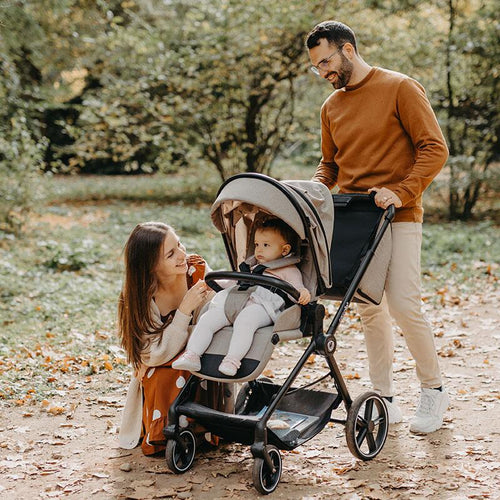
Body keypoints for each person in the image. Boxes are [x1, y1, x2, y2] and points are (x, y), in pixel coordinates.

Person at [305, 21, 450, 433]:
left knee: (404, 304)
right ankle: (384, 397)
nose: (324, 73)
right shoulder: (331, 107)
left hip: (399, 213)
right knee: (370, 308)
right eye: (316, 67)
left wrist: (402, 191)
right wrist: (314, 190)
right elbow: (330, 164)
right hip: (354, 216)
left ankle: (435, 390)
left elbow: (434, 149)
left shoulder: (401, 87)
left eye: (326, 61)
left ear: (348, 49)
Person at [117, 222, 232, 455]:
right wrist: (184, 313)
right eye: (171, 254)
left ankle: (205, 429)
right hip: (159, 365)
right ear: (151, 267)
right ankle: (165, 432)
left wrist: (177, 340)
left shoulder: (197, 273)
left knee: (194, 365)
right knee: (161, 374)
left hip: (200, 354)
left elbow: (216, 328)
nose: (182, 255)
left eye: (179, 244)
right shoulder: (141, 296)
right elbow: (152, 354)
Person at [173, 218, 311, 377]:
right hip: (236, 301)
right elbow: (233, 282)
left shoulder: (288, 270)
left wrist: (303, 292)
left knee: (245, 321)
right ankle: (193, 354)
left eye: (266, 245)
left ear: (285, 250)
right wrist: (212, 283)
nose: (259, 249)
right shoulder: (252, 267)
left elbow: (297, 287)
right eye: (257, 244)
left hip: (262, 307)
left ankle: (232, 360)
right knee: (208, 318)